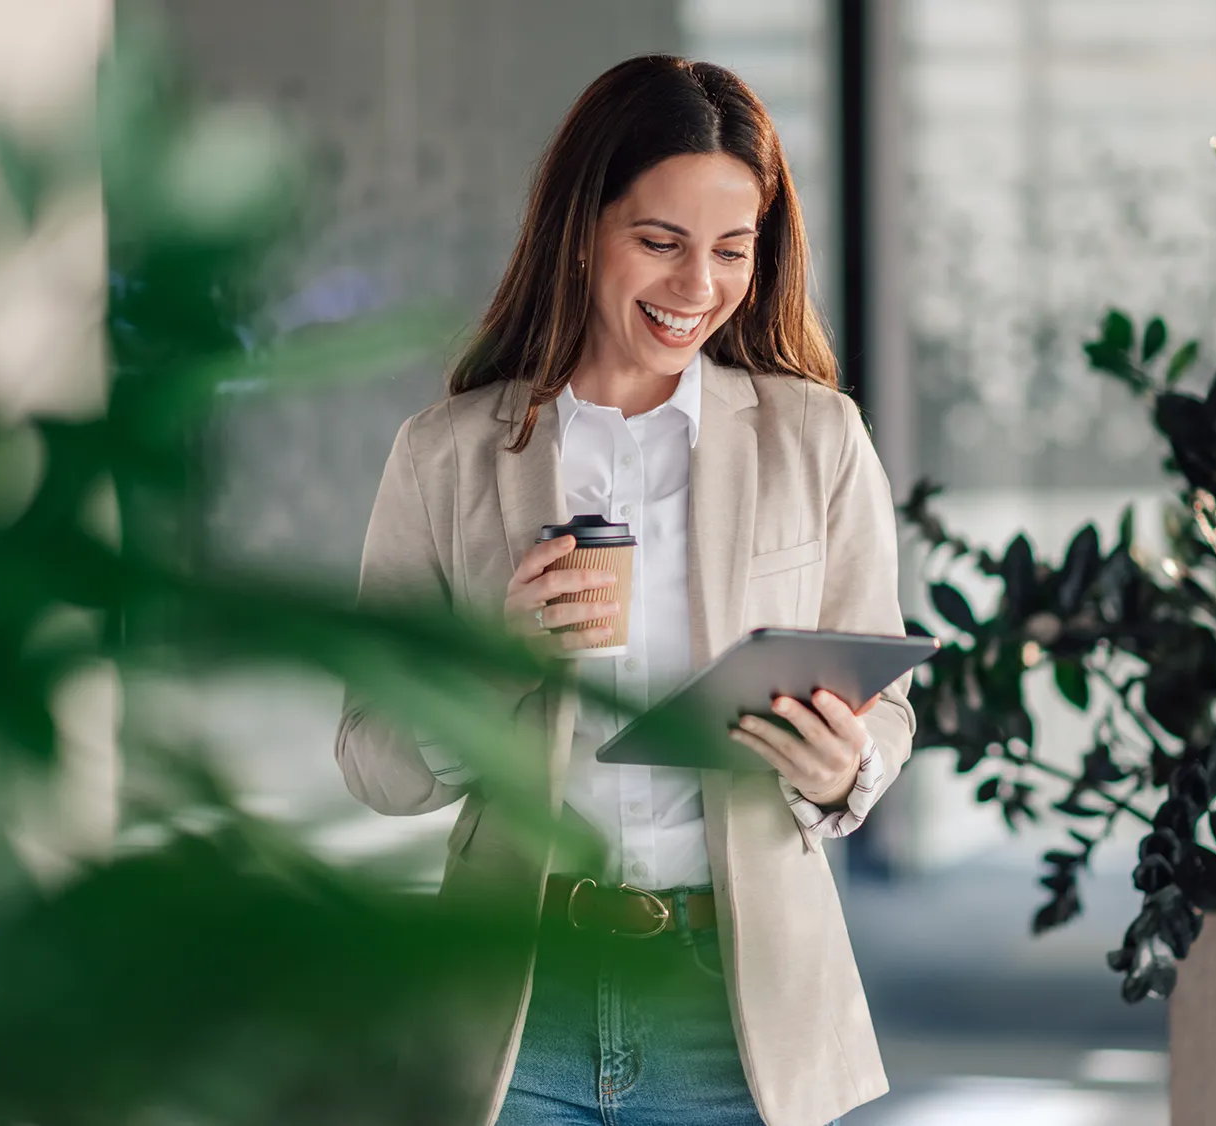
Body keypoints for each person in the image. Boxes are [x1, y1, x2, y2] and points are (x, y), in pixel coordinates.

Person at [334, 55, 915, 1126]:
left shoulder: (813, 438)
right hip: (514, 1000)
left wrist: (847, 769)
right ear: (582, 230)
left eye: (730, 250)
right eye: (659, 242)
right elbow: (371, 760)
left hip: (735, 1011)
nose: (696, 286)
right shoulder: (447, 456)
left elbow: (883, 711)